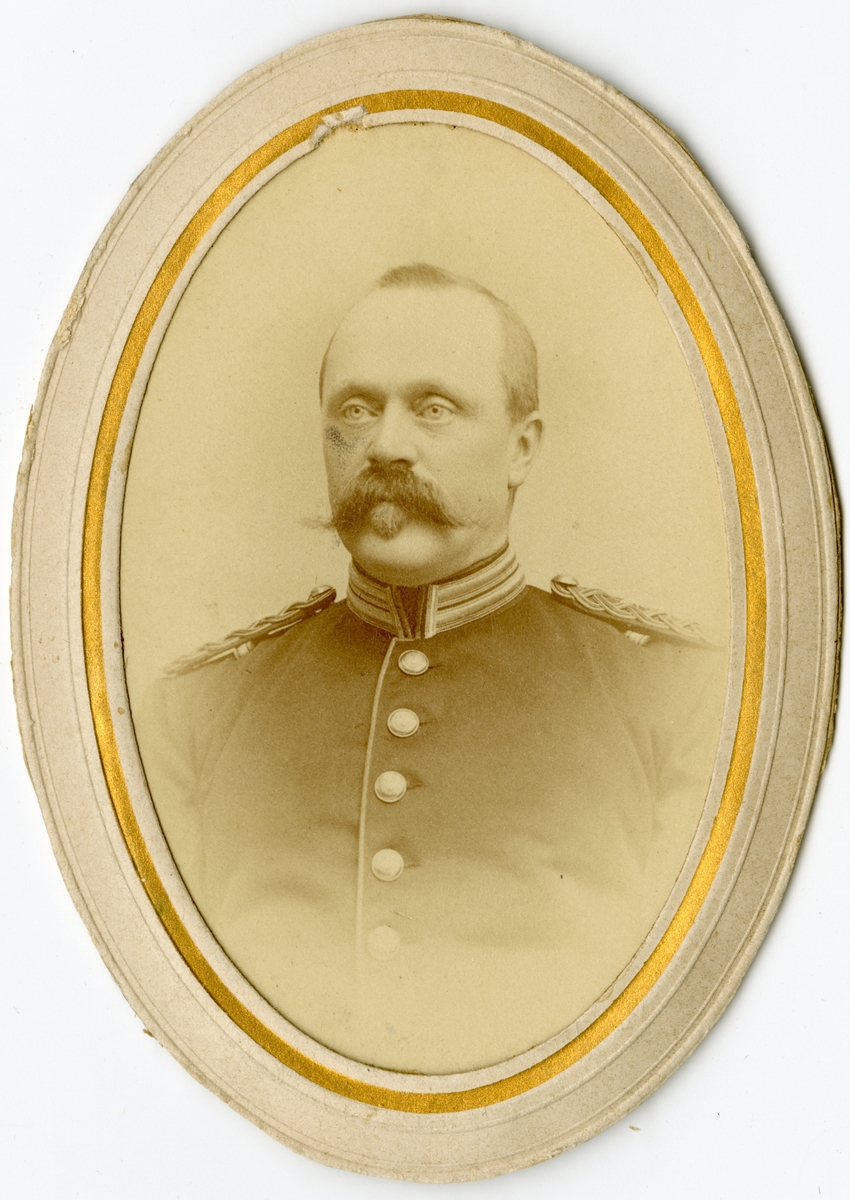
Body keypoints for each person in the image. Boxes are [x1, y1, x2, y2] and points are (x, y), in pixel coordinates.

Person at [136, 263, 726, 1075]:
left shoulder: (677, 697)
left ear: (522, 448)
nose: (385, 444)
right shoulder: (194, 713)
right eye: (355, 409)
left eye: (434, 408)